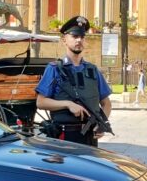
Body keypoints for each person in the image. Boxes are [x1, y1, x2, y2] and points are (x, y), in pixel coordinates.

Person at [35, 15, 112, 146]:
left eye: (82, 37)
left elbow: (106, 103)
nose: (79, 40)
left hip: (89, 137)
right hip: (64, 137)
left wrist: (102, 123)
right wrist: (67, 104)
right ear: (64, 40)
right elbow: (41, 102)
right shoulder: (54, 68)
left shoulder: (93, 70)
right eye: (74, 36)